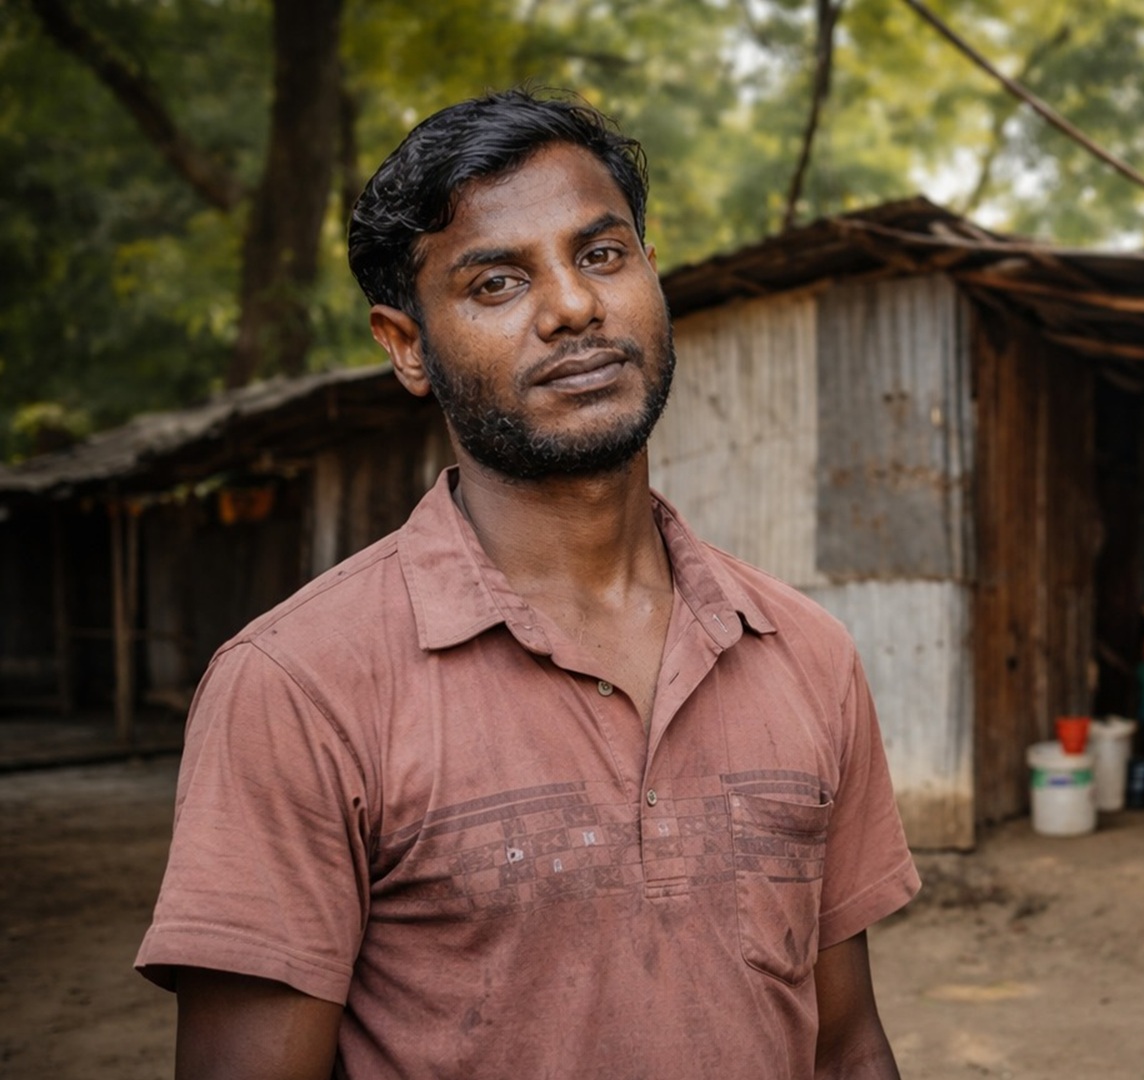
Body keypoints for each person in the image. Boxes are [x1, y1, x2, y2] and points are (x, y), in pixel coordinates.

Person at [135, 89, 921, 1079]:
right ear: (407, 344)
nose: (575, 308)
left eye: (602, 254)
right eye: (499, 282)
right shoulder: (297, 687)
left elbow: (845, 1043)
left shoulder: (805, 651)